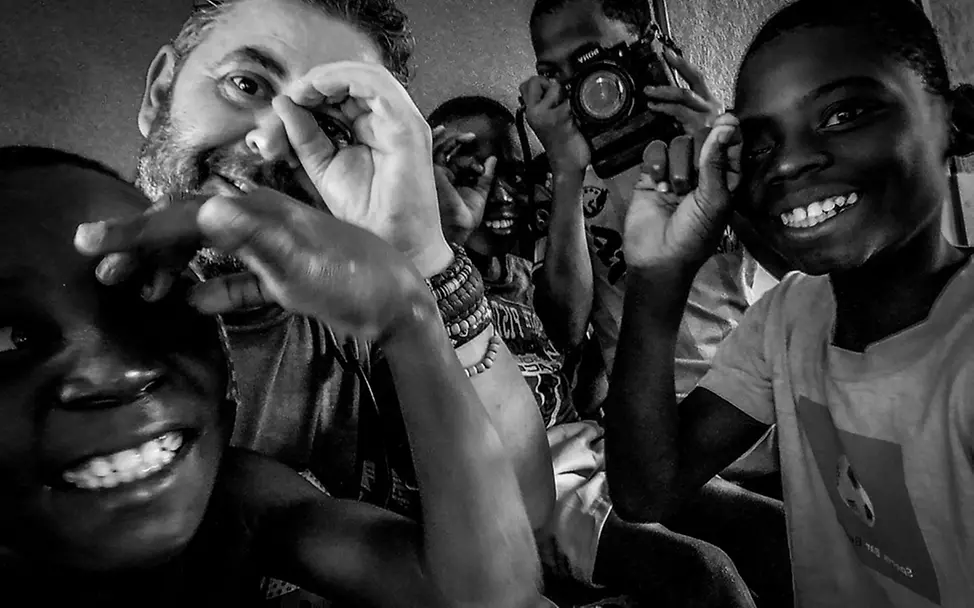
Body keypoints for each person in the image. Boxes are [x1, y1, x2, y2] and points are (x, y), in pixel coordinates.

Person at [0, 146, 546, 607]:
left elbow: (488, 597)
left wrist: (408, 315)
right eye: (7, 337)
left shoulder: (237, 500)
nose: (119, 373)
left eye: (147, 305)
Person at [89, 0, 553, 536]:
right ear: (161, 89)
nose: (270, 142)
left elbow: (520, 518)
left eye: (327, 124)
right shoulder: (39, 271)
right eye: (246, 85)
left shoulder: (360, 313)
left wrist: (423, 258)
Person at [604, 0, 974, 605]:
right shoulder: (787, 318)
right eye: (758, 144)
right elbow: (647, 491)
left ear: (953, 122)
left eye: (844, 113)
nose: (789, 161)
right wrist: (658, 276)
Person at [428, 97, 789, 608]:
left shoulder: (523, 274)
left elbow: (568, 332)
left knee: (774, 530)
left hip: (593, 450)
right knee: (704, 575)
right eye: (468, 172)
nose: (500, 192)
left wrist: (566, 175)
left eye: (512, 173)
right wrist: (439, 231)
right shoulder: (417, 274)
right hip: (522, 484)